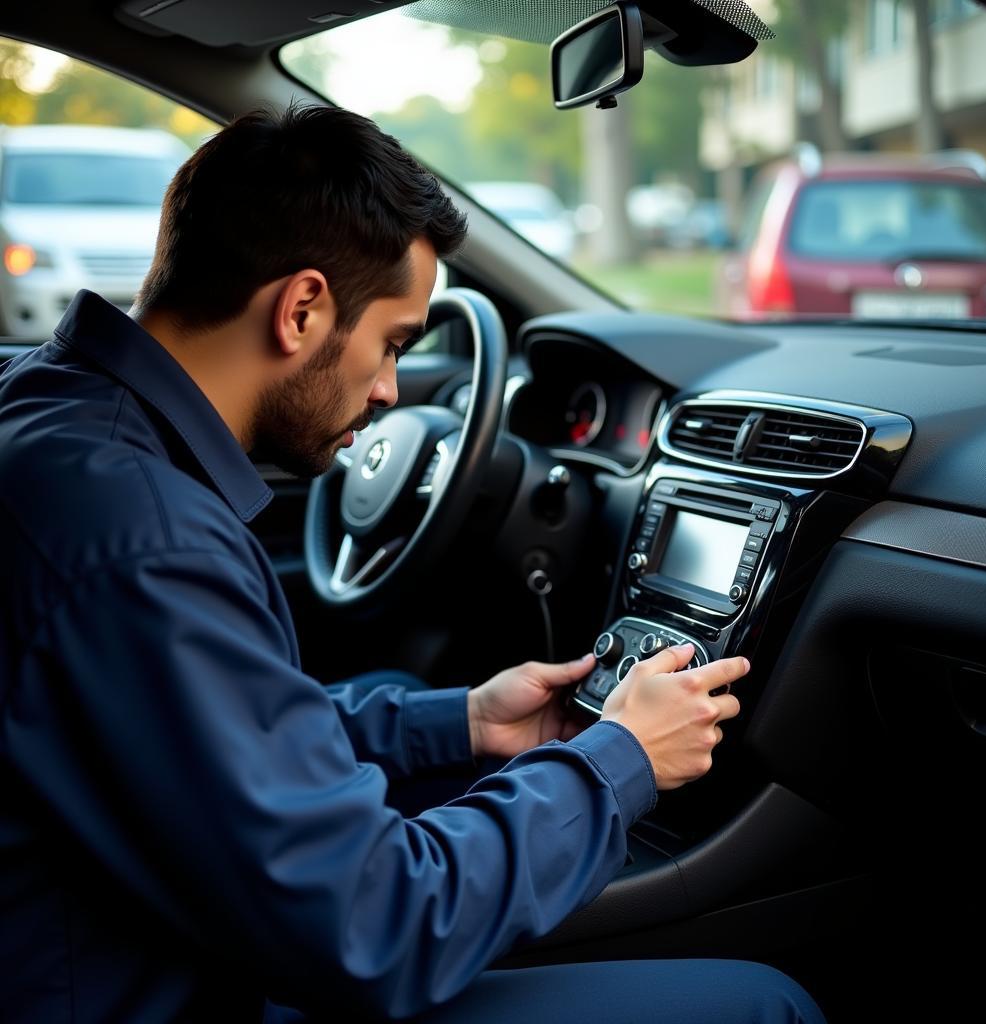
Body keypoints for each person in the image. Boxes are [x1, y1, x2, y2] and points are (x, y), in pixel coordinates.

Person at [0, 104, 826, 1023]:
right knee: (763, 1005)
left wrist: (466, 721)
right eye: (393, 342)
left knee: (398, 692)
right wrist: (618, 761)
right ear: (302, 308)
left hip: (129, 939)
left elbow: (195, 727)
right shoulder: (145, 540)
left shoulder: (50, 412)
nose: (391, 389)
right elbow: (381, 926)